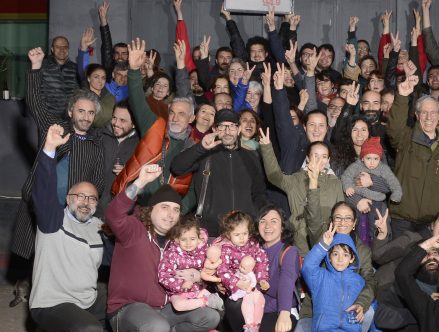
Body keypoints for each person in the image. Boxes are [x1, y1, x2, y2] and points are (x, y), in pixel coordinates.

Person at [106, 165, 220, 332]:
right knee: (156, 327)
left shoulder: (178, 243)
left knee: (210, 317)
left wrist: (197, 276)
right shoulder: (133, 230)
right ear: (151, 210)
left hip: (163, 309)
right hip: (127, 309)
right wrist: (140, 182)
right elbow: (113, 214)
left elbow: (198, 274)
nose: (171, 214)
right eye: (165, 207)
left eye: (176, 209)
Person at [11, 47, 105, 272]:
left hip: (70, 213)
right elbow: (35, 103)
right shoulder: (55, 129)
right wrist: (35, 67)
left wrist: (85, 206)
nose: (86, 117)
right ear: (71, 111)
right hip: (41, 206)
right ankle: (28, 284)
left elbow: (98, 183)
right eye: (81, 111)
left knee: (60, 262)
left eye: (91, 113)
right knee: (35, 254)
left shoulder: (96, 144)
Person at [28, 125, 107, 332]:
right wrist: (49, 149)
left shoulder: (98, 227)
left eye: (92, 198)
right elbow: (43, 191)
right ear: (67, 199)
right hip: (52, 303)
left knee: (121, 302)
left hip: (85, 300)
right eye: (79, 196)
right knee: (90, 331)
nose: (86, 202)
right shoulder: (53, 219)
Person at [111, 39, 197, 205]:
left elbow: (194, 188)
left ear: (191, 119)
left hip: (170, 211)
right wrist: (134, 70)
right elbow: (137, 101)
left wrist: (178, 210)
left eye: (181, 114)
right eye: (172, 112)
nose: (174, 118)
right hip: (139, 205)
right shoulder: (155, 127)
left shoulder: (195, 146)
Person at [170, 109, 272, 237]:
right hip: (211, 231)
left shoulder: (252, 157)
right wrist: (200, 147)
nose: (227, 132)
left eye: (232, 126)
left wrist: (255, 217)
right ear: (214, 129)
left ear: (239, 129)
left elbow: (259, 193)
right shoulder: (205, 154)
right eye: (222, 127)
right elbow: (176, 168)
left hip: (244, 233)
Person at [387, 74, 439, 236]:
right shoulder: (405, 138)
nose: (429, 117)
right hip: (402, 218)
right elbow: (394, 127)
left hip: (432, 222)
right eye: (424, 113)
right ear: (417, 115)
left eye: (433, 113)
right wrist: (402, 97)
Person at [223, 206, 301, 332]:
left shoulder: (289, 251)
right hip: (255, 303)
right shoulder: (250, 248)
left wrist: (284, 313)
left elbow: (286, 282)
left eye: (274, 221)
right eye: (263, 221)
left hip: (278, 306)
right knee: (233, 302)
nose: (267, 226)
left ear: (282, 226)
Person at [302, 228, 367, 332]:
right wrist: (323, 245)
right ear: (329, 256)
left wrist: (375, 329)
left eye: (345, 255)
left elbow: (370, 301)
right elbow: (307, 267)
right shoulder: (320, 277)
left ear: (352, 258)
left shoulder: (358, 281)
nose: (340, 259)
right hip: (325, 331)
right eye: (335, 254)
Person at [211, 211, 270, 332]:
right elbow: (222, 270)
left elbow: (262, 260)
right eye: (237, 234)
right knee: (236, 304)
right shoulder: (225, 248)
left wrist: (262, 278)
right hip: (235, 288)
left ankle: (253, 330)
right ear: (228, 234)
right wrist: (236, 282)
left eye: (245, 233)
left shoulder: (253, 244)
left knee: (259, 300)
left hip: (251, 285)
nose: (242, 238)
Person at [340, 137, 403, 244]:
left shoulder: (383, 168)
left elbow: (393, 182)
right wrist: (348, 187)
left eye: (376, 159)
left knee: (377, 222)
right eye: (368, 158)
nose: (372, 162)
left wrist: (397, 193)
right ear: (362, 158)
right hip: (359, 198)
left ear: (380, 158)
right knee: (359, 223)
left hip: (377, 200)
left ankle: (376, 241)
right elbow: (346, 176)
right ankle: (359, 242)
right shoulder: (356, 166)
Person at [157, 217, 223, 312]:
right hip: (178, 293)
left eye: (192, 239)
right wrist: (181, 285)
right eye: (183, 239)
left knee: (215, 307)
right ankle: (205, 300)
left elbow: (211, 267)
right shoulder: (172, 254)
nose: (188, 243)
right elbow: (164, 275)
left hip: (198, 290)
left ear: (198, 238)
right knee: (179, 305)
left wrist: (212, 274)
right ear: (177, 239)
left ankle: (207, 299)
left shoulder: (203, 252)